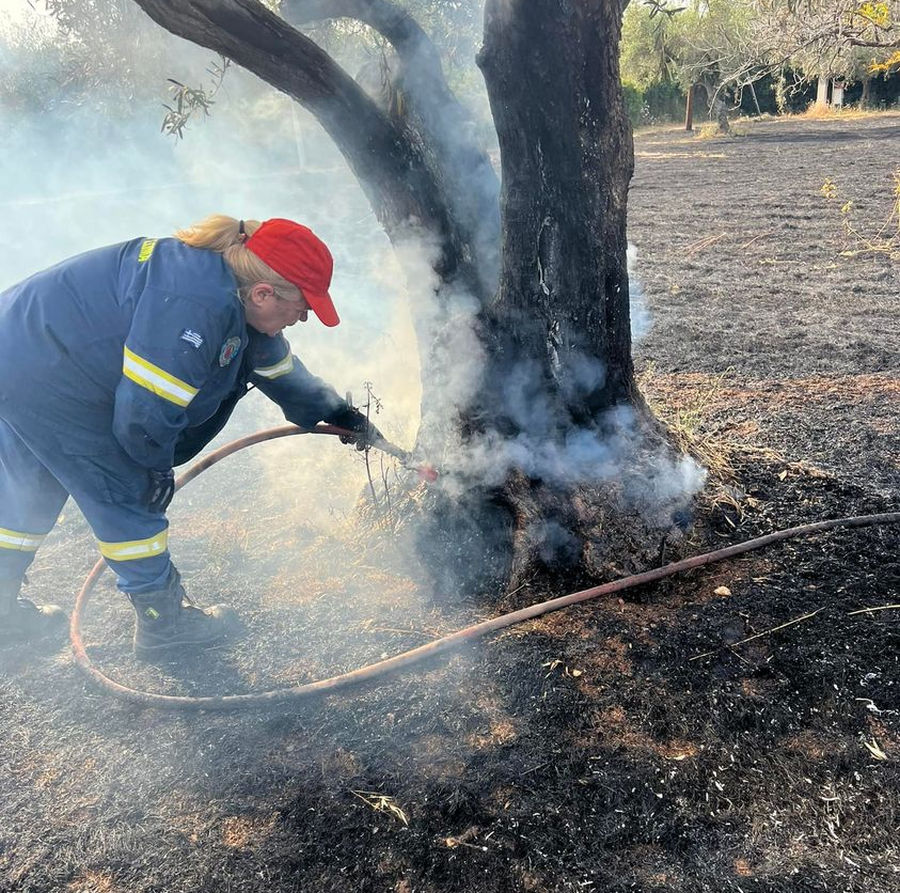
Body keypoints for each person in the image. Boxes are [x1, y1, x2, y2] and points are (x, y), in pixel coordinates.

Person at [0, 215, 382, 658]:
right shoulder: (195, 306)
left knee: (29, 486)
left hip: (21, 352)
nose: (304, 318)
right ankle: (165, 625)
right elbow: (143, 421)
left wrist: (336, 412)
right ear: (263, 293)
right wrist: (153, 469)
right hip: (44, 369)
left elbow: (277, 369)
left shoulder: (230, 290)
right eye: (303, 307)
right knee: (122, 488)